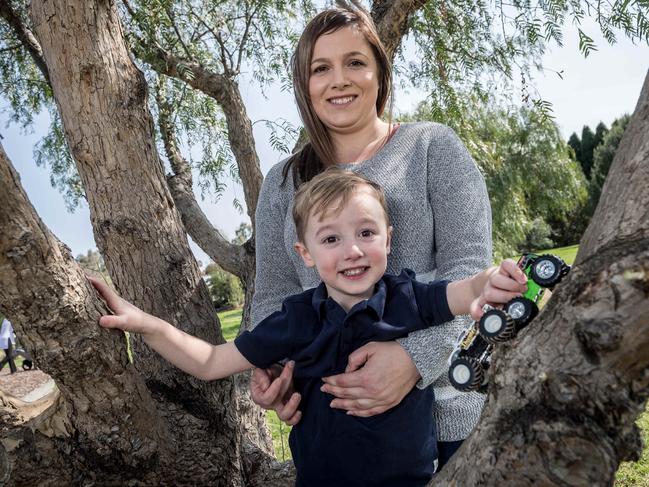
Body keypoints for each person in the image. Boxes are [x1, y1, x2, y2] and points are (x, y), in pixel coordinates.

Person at [92, 169, 525, 486]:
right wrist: (146, 325)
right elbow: (211, 361)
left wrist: (491, 281)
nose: (353, 250)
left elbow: (465, 292)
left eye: (366, 232)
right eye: (331, 239)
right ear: (306, 253)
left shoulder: (407, 297)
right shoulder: (297, 318)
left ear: (388, 240)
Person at [250, 6, 492, 468]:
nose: (339, 79)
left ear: (379, 72)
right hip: (336, 437)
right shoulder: (282, 183)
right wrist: (276, 371)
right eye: (321, 68)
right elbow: (272, 300)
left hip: (447, 421)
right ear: (304, 85)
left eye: (355, 62)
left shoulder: (430, 147)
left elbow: (471, 274)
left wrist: (412, 360)